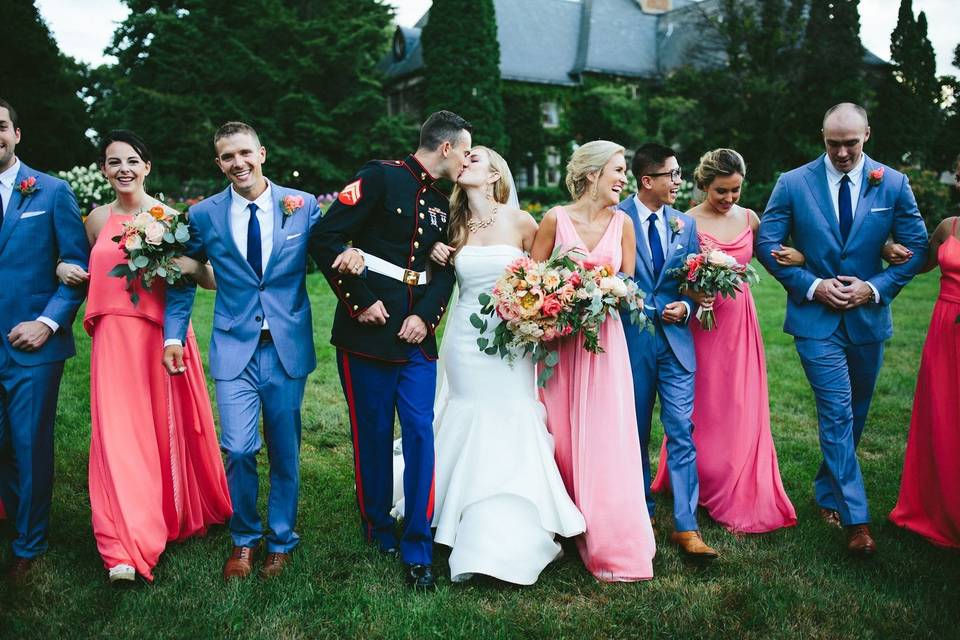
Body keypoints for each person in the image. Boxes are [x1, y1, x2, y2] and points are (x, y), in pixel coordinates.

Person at [390, 146, 585, 585]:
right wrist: (434, 251)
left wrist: (536, 312)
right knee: (467, 411)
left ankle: (508, 521)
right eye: (464, 156)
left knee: (510, 413)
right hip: (464, 339)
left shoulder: (522, 223)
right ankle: (450, 509)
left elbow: (543, 279)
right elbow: (421, 262)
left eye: (475, 157)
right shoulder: (451, 224)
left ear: (496, 170)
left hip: (513, 343)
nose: (465, 161)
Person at [55, 130, 232, 584]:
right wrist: (62, 266)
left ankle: (164, 514)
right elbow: (74, 259)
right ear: (103, 170)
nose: (123, 170)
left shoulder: (170, 219)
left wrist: (176, 326)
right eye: (114, 163)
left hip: (159, 342)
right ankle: (122, 544)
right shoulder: (95, 219)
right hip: (112, 341)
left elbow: (195, 284)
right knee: (117, 437)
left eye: (132, 161)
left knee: (157, 434)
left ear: (147, 167)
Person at [756, 103, 928, 556]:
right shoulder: (792, 183)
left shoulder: (893, 182)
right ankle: (857, 521)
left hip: (868, 320)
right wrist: (812, 285)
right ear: (822, 137)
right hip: (816, 322)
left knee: (857, 412)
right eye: (833, 143)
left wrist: (873, 288)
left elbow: (917, 246)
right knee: (836, 412)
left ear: (867, 134)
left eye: (851, 143)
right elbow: (767, 243)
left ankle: (828, 491)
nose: (842, 153)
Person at [309, 110, 469, 590]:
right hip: (367, 335)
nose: (466, 159)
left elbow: (442, 271)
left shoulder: (445, 203)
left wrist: (426, 317)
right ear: (445, 147)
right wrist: (359, 302)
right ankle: (378, 526)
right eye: (464, 150)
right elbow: (325, 235)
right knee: (373, 434)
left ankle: (417, 544)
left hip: (417, 338)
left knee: (421, 432)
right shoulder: (379, 177)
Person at [163, 122, 321, 580]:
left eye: (245, 153)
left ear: (262, 154)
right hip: (234, 346)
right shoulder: (204, 215)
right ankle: (244, 539)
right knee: (237, 447)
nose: (239, 162)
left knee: (285, 448)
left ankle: (282, 539)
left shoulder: (302, 205)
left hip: (286, 346)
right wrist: (174, 335)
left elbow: (334, 252)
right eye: (228, 156)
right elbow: (180, 274)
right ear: (219, 163)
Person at [650, 148, 797, 534]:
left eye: (735, 190)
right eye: (721, 191)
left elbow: (769, 255)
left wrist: (800, 258)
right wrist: (692, 292)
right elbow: (669, 275)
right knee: (702, 402)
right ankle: (698, 478)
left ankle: (736, 480)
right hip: (701, 323)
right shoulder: (684, 222)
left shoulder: (750, 217)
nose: (730, 198)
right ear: (703, 186)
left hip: (740, 322)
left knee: (739, 401)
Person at [531, 140, 656, 581]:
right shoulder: (554, 219)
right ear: (591, 175)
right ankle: (559, 522)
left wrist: (605, 290)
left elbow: (628, 282)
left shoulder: (623, 223)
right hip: (559, 347)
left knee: (604, 435)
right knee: (558, 430)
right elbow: (531, 280)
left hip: (603, 346)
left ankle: (605, 530)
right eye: (618, 171)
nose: (624, 179)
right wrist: (557, 300)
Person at [0, 98, 89, 581]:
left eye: (0, 127)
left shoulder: (51, 192)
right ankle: (16, 516)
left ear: (16, 133)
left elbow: (77, 268)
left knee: (29, 443)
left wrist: (48, 322)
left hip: (32, 344)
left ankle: (29, 545)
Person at [618, 142, 718, 559]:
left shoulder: (683, 224)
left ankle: (686, 525)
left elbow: (690, 280)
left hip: (677, 344)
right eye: (672, 175)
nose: (680, 181)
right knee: (634, 432)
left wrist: (690, 304)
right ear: (647, 181)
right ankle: (639, 511)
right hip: (631, 342)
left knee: (681, 429)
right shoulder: (615, 217)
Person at [889, 154, 960, 549]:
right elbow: (918, 262)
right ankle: (935, 507)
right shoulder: (950, 226)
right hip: (945, 332)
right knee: (943, 416)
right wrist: (886, 248)